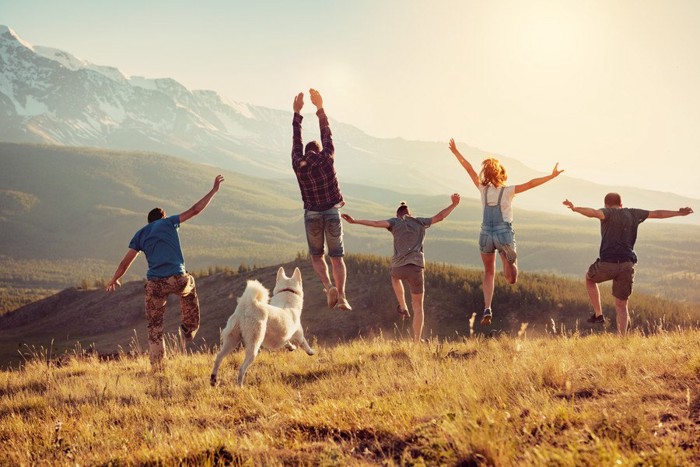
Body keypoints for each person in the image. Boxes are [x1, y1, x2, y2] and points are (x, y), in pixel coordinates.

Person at [105, 175, 225, 370]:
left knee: (154, 326)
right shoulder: (169, 222)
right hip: (178, 278)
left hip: (155, 284)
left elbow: (124, 262)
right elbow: (195, 210)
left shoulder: (140, 233)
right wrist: (213, 191)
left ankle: (157, 366)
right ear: (163, 217)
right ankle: (189, 327)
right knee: (189, 286)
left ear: (148, 221)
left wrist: (113, 279)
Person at [448, 138, 563, 325]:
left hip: (485, 233)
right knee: (511, 278)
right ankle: (510, 260)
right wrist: (551, 176)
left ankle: (487, 308)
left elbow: (468, 168)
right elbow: (532, 183)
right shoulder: (508, 191)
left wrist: (456, 152)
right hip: (504, 233)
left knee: (488, 273)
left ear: (486, 173)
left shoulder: (482, 189)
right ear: (502, 174)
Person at [563, 194, 693, 335]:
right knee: (622, 305)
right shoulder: (633, 213)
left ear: (606, 204)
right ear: (621, 204)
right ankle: (622, 339)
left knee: (589, 278)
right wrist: (679, 213)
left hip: (608, 263)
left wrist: (575, 208)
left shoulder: (607, 213)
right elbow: (658, 213)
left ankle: (599, 314)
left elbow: (593, 213)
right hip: (627, 264)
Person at [341, 194, 461, 342]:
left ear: (397, 215)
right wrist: (454, 204)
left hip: (398, 267)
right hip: (415, 268)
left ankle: (403, 306)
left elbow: (375, 223)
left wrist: (354, 221)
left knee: (394, 277)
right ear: (409, 214)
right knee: (418, 308)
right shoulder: (419, 222)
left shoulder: (394, 223)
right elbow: (440, 216)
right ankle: (417, 340)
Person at [292, 88, 351, 311]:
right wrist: (319, 108)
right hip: (332, 213)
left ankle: (328, 287)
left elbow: (295, 140)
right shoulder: (327, 159)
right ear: (318, 150)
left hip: (312, 215)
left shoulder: (298, 164)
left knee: (317, 256)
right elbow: (327, 134)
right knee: (337, 258)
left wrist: (297, 113)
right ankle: (342, 297)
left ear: (305, 153)